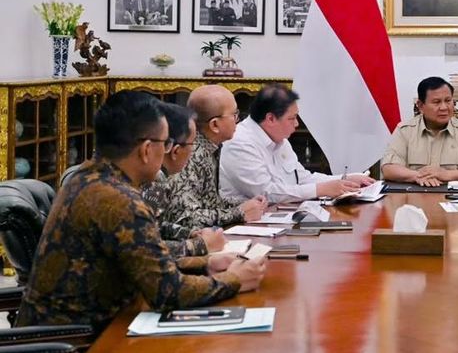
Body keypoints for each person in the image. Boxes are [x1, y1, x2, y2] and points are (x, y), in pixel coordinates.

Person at [15, 91, 266, 332]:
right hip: (79, 346)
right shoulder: (118, 201)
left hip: (91, 325)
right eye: (165, 142)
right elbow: (167, 292)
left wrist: (206, 262)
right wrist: (234, 279)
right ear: (147, 149)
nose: (169, 150)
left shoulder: (90, 178)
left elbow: (143, 260)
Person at [220, 84, 373, 202]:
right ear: (271, 119)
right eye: (291, 118)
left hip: (280, 217)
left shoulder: (280, 140)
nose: (297, 124)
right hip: (247, 227)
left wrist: (345, 179)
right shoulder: (239, 143)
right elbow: (267, 193)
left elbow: (303, 179)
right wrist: (321, 190)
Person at [160, 85, 268, 231]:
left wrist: (245, 204)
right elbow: (185, 218)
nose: (237, 120)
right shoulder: (189, 152)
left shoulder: (210, 146)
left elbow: (208, 202)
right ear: (215, 125)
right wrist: (238, 212)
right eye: (234, 114)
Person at [143, 103, 224, 258]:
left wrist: (190, 233)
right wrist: (200, 245)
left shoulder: (158, 177)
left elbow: (155, 226)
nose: (194, 151)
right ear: (175, 150)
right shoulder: (151, 182)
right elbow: (145, 249)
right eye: (192, 144)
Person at [381, 77, 458, 186]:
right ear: (421, 106)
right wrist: (417, 176)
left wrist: (446, 174)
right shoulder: (405, 131)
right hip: (414, 197)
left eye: (448, 101)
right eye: (436, 102)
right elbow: (388, 168)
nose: (444, 107)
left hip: (453, 199)